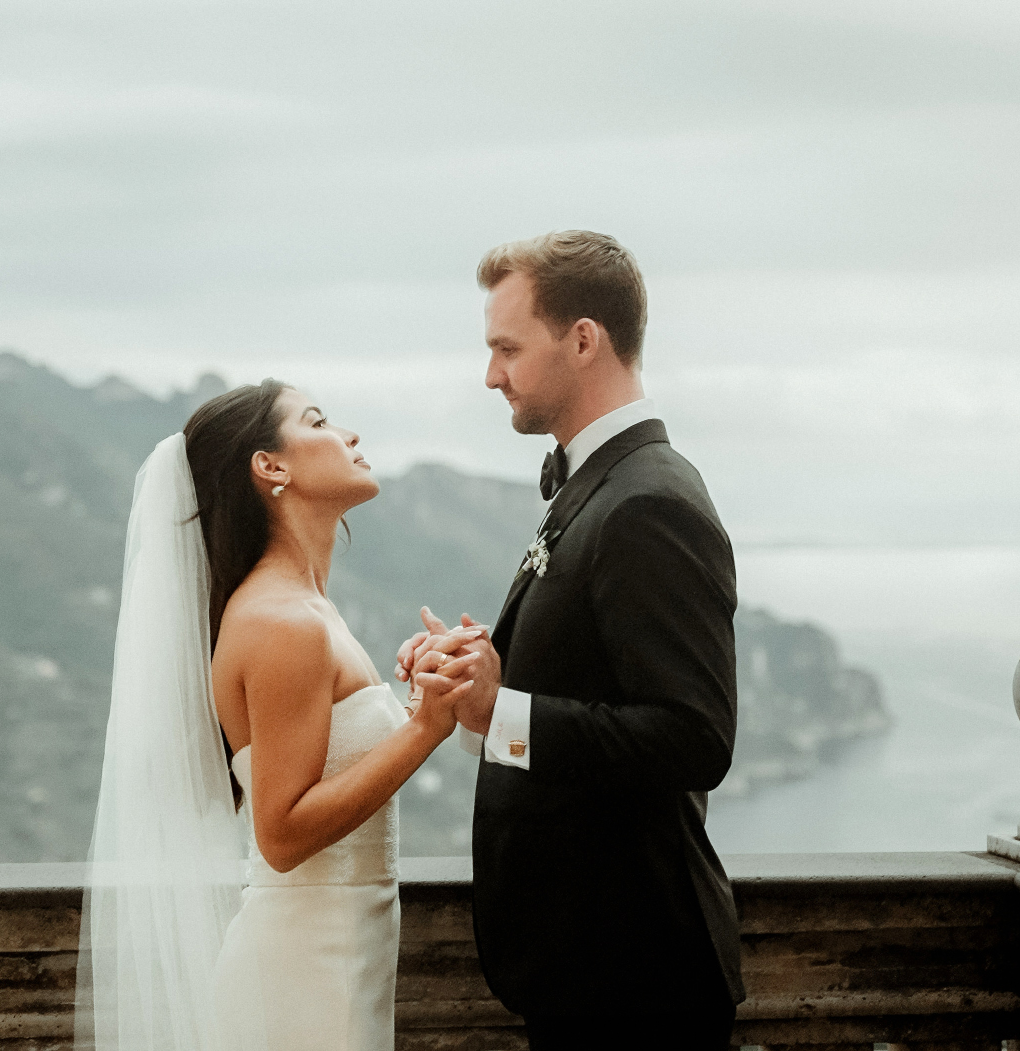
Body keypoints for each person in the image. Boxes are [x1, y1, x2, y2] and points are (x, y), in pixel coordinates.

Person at [398, 230, 746, 1049]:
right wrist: (481, 670)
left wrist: (501, 710)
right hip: (592, 970)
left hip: (637, 981)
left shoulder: (646, 502)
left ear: (583, 338)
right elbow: (595, 674)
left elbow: (695, 736)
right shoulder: (600, 483)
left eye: (507, 348)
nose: (492, 375)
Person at [77, 379, 482, 1051]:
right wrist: (422, 729)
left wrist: (420, 699)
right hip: (304, 969)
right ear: (270, 465)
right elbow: (283, 832)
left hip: (342, 956)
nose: (350, 435)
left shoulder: (303, 607)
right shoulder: (282, 620)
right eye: (320, 420)